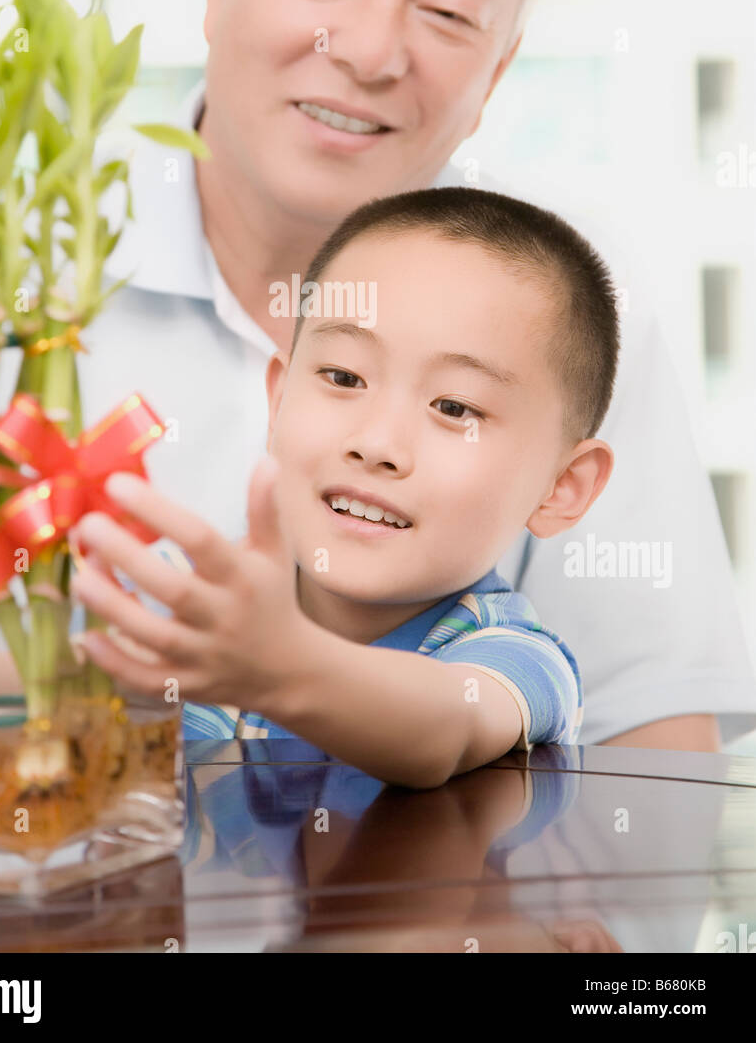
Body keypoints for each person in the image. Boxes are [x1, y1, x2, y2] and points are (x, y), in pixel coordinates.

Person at [76, 0, 756, 752]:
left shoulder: (567, 292)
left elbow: (647, 719)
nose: (367, 49)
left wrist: (289, 670)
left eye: (445, 12)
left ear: (497, 70)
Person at [71, 186, 617, 787]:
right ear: (278, 400)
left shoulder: (514, 657)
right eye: (343, 375)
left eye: (455, 408)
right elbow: (21, 687)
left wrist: (278, 665)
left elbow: (444, 731)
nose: (377, 443)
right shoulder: (181, 593)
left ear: (562, 486)